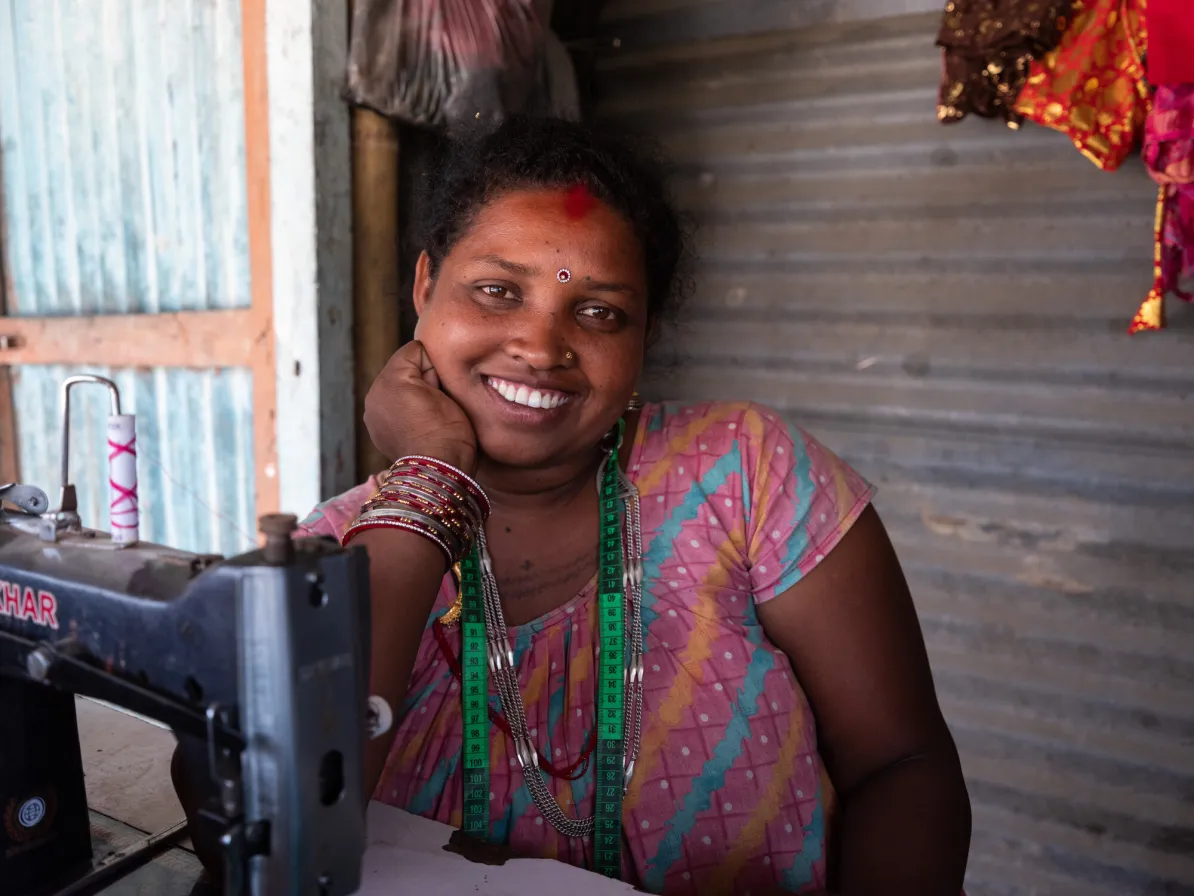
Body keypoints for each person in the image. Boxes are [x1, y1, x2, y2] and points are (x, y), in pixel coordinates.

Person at [177, 115, 971, 895]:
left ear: (645, 334)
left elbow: (902, 765)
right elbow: (277, 830)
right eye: (495, 291)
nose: (541, 345)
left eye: (599, 313)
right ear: (425, 287)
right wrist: (429, 477)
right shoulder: (338, 549)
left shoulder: (747, 475)